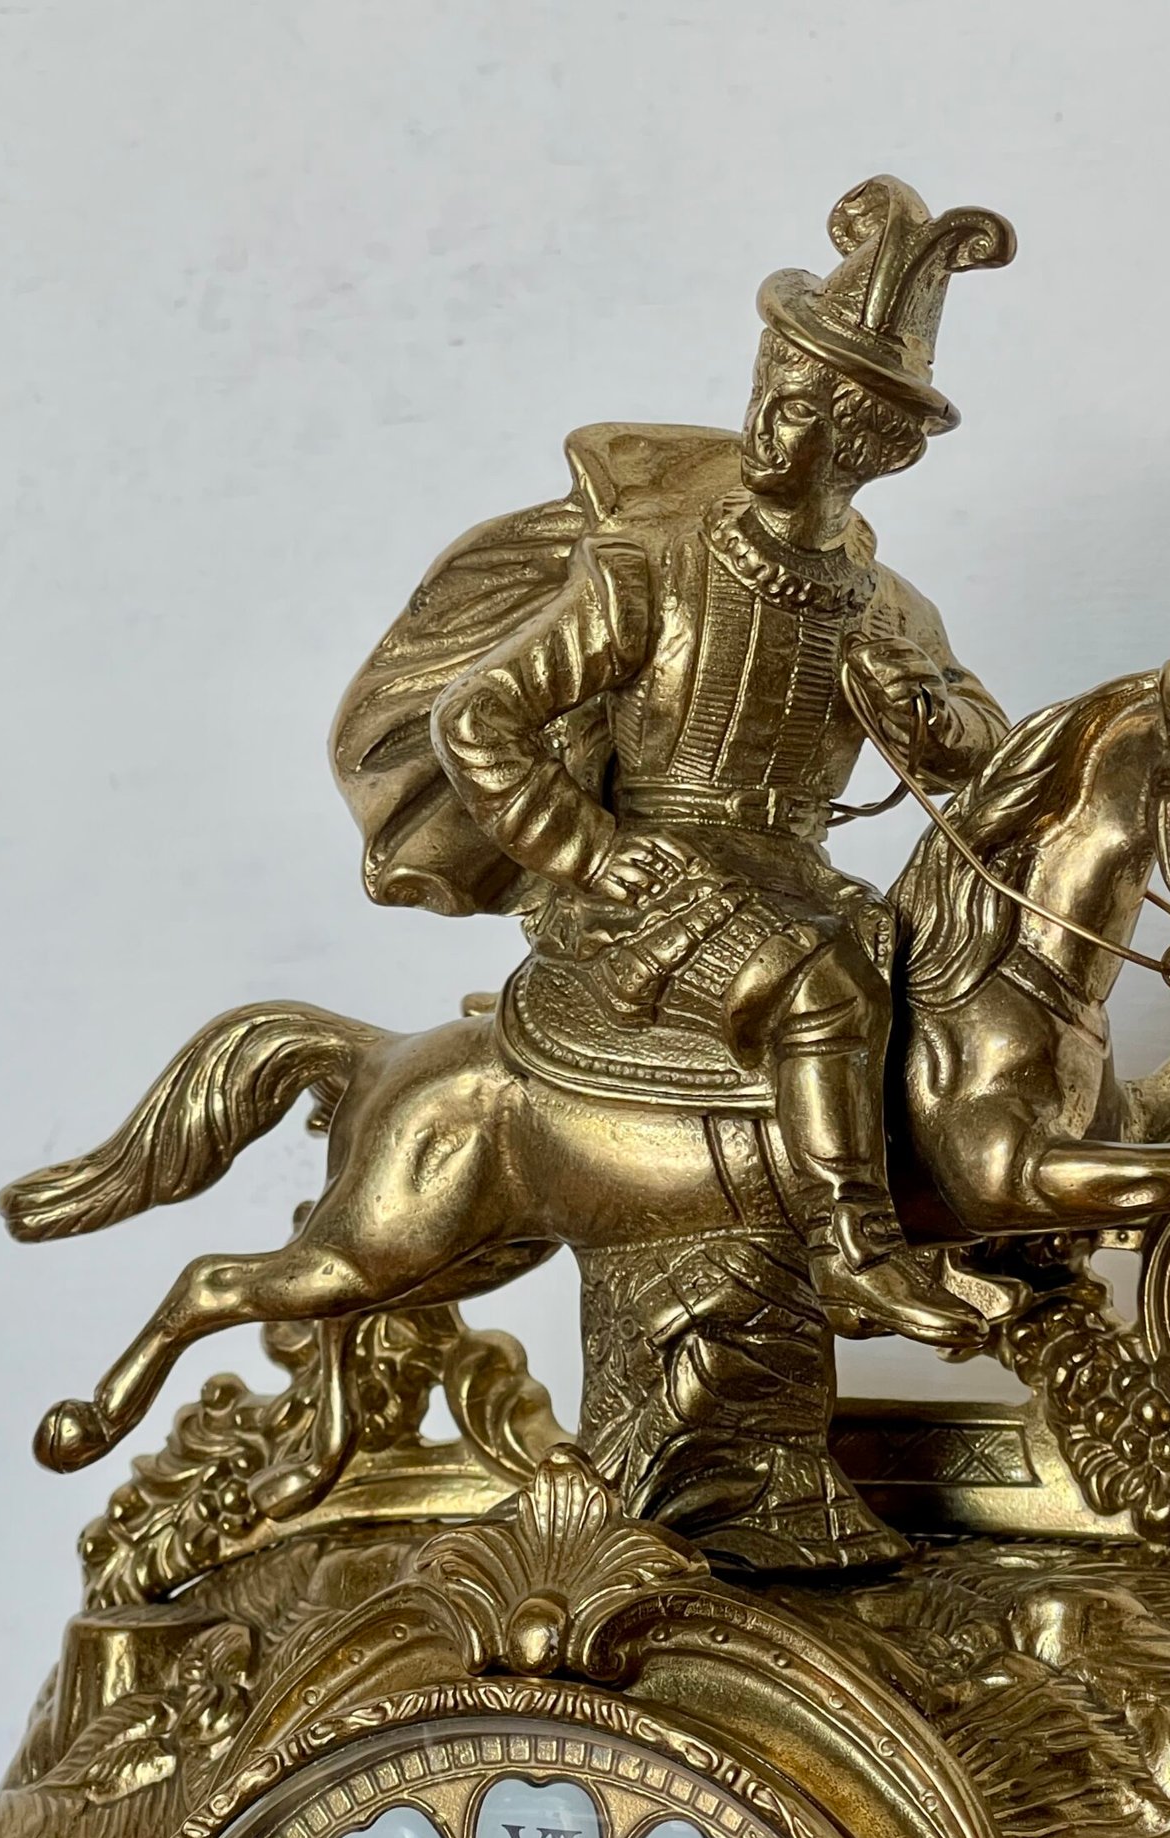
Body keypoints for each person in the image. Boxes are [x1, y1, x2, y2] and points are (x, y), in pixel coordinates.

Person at [335, 176, 1016, 1345]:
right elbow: (479, 719)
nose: (770, 430)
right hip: (654, 884)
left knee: (956, 1000)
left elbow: (987, 750)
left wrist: (926, 713)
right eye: (771, 398)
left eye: (806, 413)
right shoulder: (649, 571)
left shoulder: (886, 607)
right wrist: (592, 854)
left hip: (803, 877)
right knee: (826, 992)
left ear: (874, 450)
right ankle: (854, 1251)